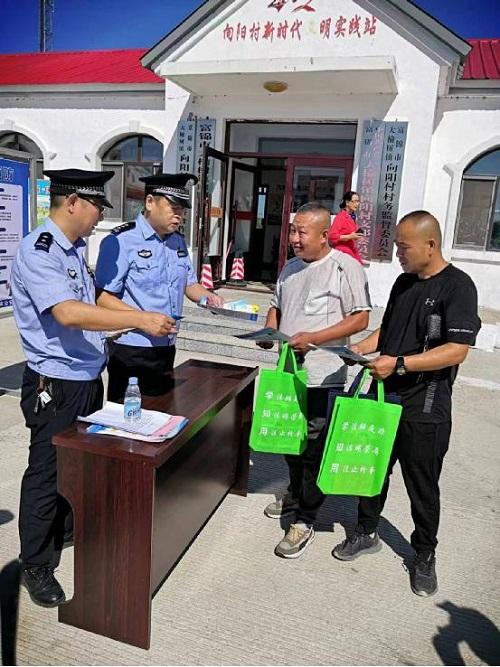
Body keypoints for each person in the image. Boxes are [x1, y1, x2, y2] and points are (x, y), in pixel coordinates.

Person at [10, 169, 176, 608]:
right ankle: (35, 564)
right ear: (72, 203)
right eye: (97, 206)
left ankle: (65, 531)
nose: (100, 214)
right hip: (56, 383)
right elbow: (67, 313)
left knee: (77, 467)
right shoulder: (40, 250)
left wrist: (127, 323)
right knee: (46, 472)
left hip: (85, 378)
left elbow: (92, 304)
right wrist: (139, 319)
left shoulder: (74, 249)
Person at [332, 210, 481, 597]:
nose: (397, 254)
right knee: (372, 471)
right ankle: (366, 531)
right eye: (397, 246)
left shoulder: (459, 287)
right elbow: (389, 331)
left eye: (403, 247)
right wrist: (358, 348)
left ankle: (425, 553)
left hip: (426, 405)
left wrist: (399, 364)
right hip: (384, 395)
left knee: (422, 485)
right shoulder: (403, 282)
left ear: (430, 245)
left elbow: (457, 350)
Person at [259, 202, 371, 558]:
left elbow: (360, 319)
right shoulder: (290, 267)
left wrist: (315, 338)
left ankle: (305, 520)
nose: (294, 238)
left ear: (324, 236)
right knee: (290, 442)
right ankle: (295, 494)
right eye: (292, 230)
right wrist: (270, 329)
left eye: (301, 232)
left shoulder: (345, 267)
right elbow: (276, 305)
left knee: (314, 450)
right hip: (289, 373)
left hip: (324, 376)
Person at [95, 173, 224, 400]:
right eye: (173, 208)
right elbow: (103, 298)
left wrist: (209, 299)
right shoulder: (121, 241)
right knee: (127, 415)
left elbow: (190, 284)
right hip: (132, 348)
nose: (179, 215)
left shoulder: (177, 242)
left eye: (182, 210)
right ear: (149, 202)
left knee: (162, 410)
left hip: (166, 345)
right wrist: (144, 320)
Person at [328, 190, 363, 264]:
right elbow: (332, 236)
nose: (357, 204)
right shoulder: (340, 217)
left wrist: (355, 236)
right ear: (347, 202)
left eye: (358, 201)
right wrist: (349, 236)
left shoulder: (352, 217)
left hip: (351, 251)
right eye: (355, 201)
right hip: (342, 253)